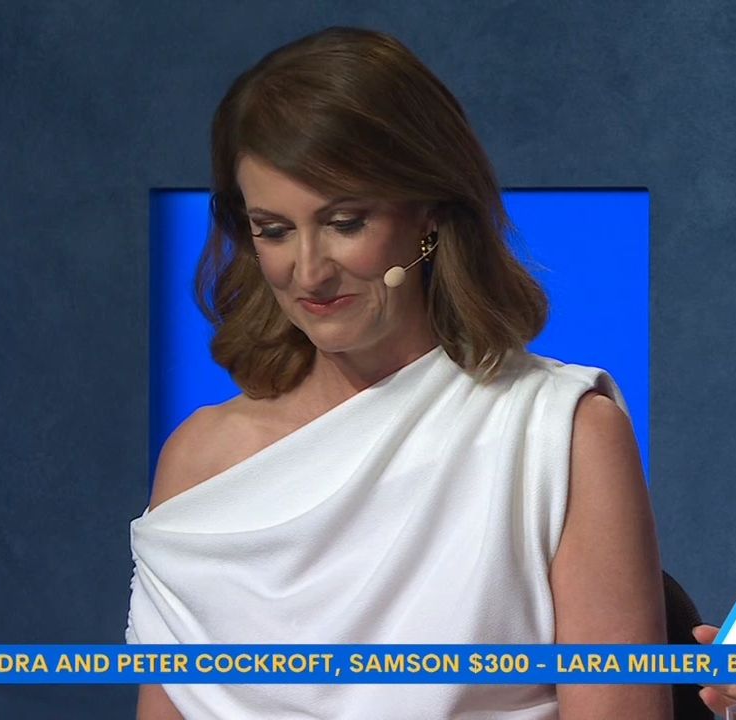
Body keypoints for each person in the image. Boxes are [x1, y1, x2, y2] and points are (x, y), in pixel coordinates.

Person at [125, 27, 670, 719]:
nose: (309, 272)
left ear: (430, 216)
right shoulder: (201, 462)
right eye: (274, 230)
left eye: (345, 221)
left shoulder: (563, 434)